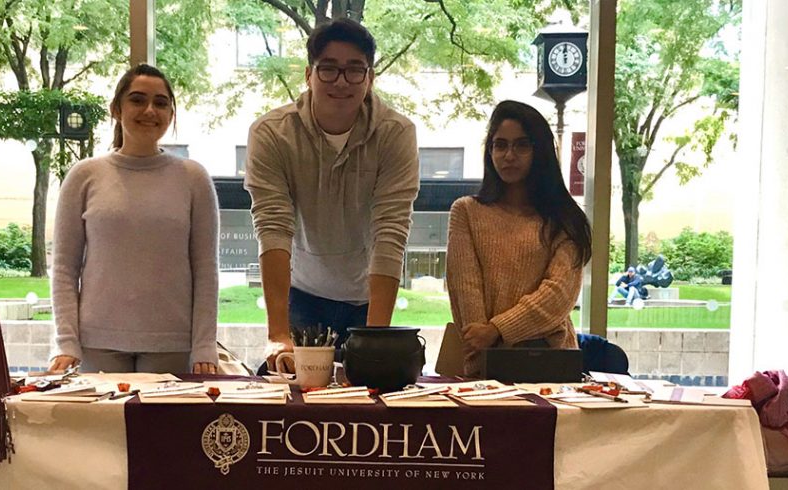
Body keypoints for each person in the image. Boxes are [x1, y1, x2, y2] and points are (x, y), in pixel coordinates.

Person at [244, 19, 420, 372]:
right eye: (329, 69)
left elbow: (391, 232)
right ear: (309, 75)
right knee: (289, 392)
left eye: (355, 70)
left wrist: (375, 340)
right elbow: (273, 227)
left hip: (368, 297)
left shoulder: (396, 134)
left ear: (369, 79)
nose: (342, 81)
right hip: (304, 294)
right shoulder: (271, 134)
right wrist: (279, 334)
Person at [48, 64, 219, 375]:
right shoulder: (84, 176)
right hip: (96, 343)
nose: (150, 110)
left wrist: (205, 345)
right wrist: (66, 342)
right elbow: (63, 267)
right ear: (117, 109)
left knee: (163, 426)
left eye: (161, 102)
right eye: (137, 100)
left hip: (172, 343)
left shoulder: (194, 178)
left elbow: (205, 268)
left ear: (171, 113)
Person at [446, 100, 592, 376]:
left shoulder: (566, 219)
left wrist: (497, 330)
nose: (509, 155)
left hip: (552, 366)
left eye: (521, 145)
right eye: (500, 145)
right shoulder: (466, 212)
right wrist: (483, 342)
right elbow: (467, 290)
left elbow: (558, 296)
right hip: (484, 368)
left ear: (541, 151)